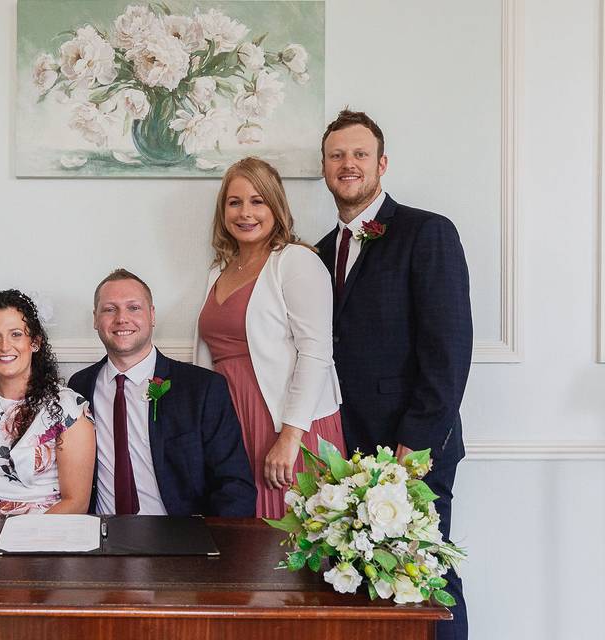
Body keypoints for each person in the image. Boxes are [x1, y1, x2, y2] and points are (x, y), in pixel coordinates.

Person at [315, 109, 471, 640]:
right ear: (324, 167)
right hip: (343, 448)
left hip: (411, 447)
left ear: (382, 164)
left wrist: (417, 444)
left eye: (359, 154)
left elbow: (448, 349)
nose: (348, 163)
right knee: (357, 588)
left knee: (425, 580)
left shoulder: (427, 232)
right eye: (337, 155)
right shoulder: (317, 253)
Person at [193, 157, 343, 519]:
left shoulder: (296, 262)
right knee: (241, 539)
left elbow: (317, 353)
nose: (245, 212)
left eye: (257, 201)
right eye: (235, 202)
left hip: (287, 422)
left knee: (288, 539)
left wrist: (290, 437)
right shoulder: (219, 270)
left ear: (276, 205)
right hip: (232, 422)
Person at [68, 269, 256, 517]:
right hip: (100, 535)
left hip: (179, 539)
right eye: (109, 309)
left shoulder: (202, 389)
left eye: (134, 307)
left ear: (152, 315)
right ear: (95, 319)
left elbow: (235, 486)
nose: (122, 318)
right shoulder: (79, 388)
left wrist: (213, 548)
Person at [0, 289, 95, 515]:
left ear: (34, 342)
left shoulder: (67, 409)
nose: (5, 346)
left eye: (16, 334)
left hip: (42, 533)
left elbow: (76, 503)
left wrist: (17, 540)